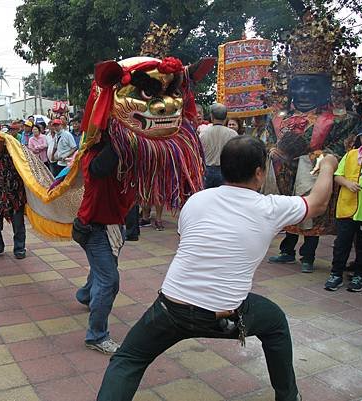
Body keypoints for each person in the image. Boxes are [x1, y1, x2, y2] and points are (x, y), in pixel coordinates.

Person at [95, 136, 338, 401]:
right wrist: (328, 164)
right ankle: (288, 397)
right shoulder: (270, 207)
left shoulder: (197, 201)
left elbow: (189, 241)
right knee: (275, 323)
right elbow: (318, 202)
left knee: (128, 359)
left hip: (170, 308)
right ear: (259, 173)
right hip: (225, 315)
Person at [265, 13, 359, 274]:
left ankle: (308, 255)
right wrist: (272, 150)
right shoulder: (277, 117)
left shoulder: (340, 120)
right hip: (284, 174)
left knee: (311, 211)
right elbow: (267, 141)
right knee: (286, 210)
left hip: (312, 173)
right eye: (300, 86)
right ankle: (286, 250)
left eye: (311, 86)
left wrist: (322, 154)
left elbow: (345, 146)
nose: (304, 92)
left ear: (325, 87)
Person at [74, 132, 136, 355]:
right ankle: (97, 336)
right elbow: (100, 167)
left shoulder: (125, 157)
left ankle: (85, 295)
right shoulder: (93, 156)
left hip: (113, 227)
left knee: (102, 270)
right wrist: (127, 133)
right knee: (109, 281)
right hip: (94, 229)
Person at [324, 120, 362, 292]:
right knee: (342, 244)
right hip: (347, 209)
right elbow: (337, 175)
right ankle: (335, 274)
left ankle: (360, 276)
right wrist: (347, 183)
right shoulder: (351, 155)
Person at [0, 131, 27, 260]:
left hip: (15, 195)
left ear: (3, 143)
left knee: (18, 224)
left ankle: (19, 248)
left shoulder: (12, 155)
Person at [199, 103, 238, 188]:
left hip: (207, 171)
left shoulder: (203, 134)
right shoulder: (233, 134)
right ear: (225, 118)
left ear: (211, 117)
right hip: (226, 171)